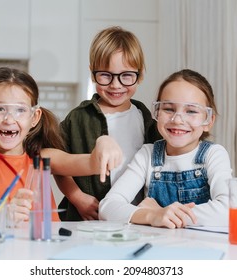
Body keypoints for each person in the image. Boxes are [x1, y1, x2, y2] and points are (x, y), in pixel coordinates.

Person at [0, 66, 122, 223]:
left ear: (34, 118)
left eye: (20, 110)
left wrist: (103, 141)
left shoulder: (43, 158)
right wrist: (2, 212)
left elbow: (91, 163)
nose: (9, 119)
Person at [99, 69, 233, 228]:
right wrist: (152, 215)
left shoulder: (214, 155)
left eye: (191, 111)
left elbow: (230, 210)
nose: (177, 120)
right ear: (157, 112)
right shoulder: (147, 155)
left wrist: (164, 213)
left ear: (208, 121)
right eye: (168, 109)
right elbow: (107, 207)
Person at [57, 26, 161, 221]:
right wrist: (77, 197)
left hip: (133, 219)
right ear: (92, 73)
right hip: (87, 219)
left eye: (127, 75)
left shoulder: (147, 119)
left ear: (140, 74)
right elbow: (57, 164)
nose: (116, 84)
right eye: (105, 75)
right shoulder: (78, 118)